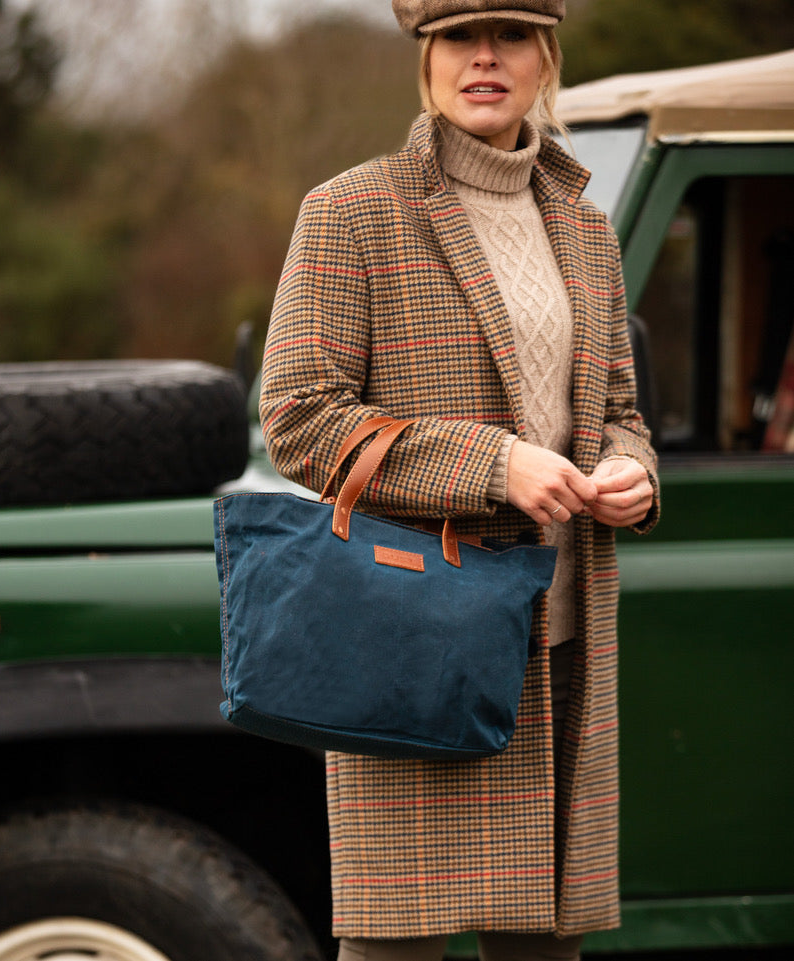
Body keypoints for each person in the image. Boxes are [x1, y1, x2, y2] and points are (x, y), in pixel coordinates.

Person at [259, 1, 660, 959]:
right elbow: (300, 418)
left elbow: (618, 410)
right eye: (458, 37)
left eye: (511, 35)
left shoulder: (585, 227)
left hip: (558, 641)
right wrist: (494, 465)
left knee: (542, 948)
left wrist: (629, 471)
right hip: (413, 636)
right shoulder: (351, 210)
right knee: (395, 945)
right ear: (427, 58)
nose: (484, 57)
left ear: (544, 59)